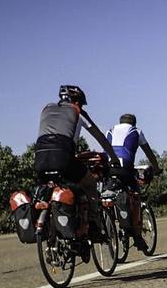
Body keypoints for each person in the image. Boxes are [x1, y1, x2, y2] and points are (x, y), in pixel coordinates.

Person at [33, 85, 118, 253]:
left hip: (40, 159)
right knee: (89, 183)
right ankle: (93, 224)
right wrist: (113, 158)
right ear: (78, 101)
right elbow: (100, 137)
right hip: (63, 158)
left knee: (52, 189)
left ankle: (52, 238)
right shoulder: (77, 112)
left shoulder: (46, 109)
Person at [106, 113, 163, 249]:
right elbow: (148, 152)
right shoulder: (136, 131)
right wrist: (156, 168)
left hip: (108, 167)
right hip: (125, 167)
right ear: (134, 123)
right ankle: (137, 236)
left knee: (109, 192)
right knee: (135, 193)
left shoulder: (110, 130)